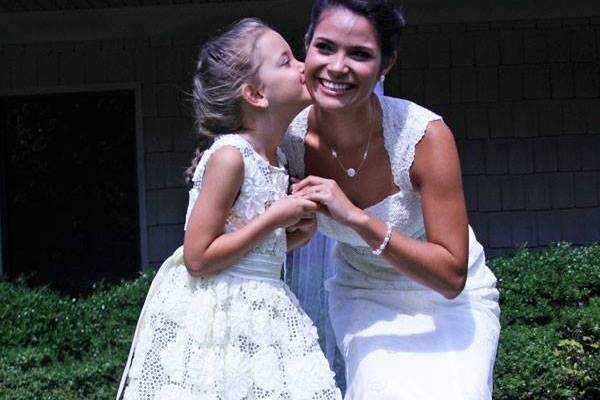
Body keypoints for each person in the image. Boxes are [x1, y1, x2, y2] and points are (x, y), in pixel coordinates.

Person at [282, 1, 501, 399]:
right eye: (325, 47)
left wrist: (357, 220)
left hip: (449, 299)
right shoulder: (286, 141)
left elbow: (452, 278)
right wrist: (292, 227)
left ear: (386, 65)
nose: (337, 66)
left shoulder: (424, 137)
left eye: (360, 54)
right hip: (363, 293)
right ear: (307, 49)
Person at [117, 18, 342, 400]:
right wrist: (274, 218)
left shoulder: (278, 156)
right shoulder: (230, 156)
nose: (304, 66)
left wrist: (289, 238)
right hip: (217, 317)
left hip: (263, 307)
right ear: (255, 94)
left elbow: (242, 253)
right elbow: (198, 257)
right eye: (286, 61)